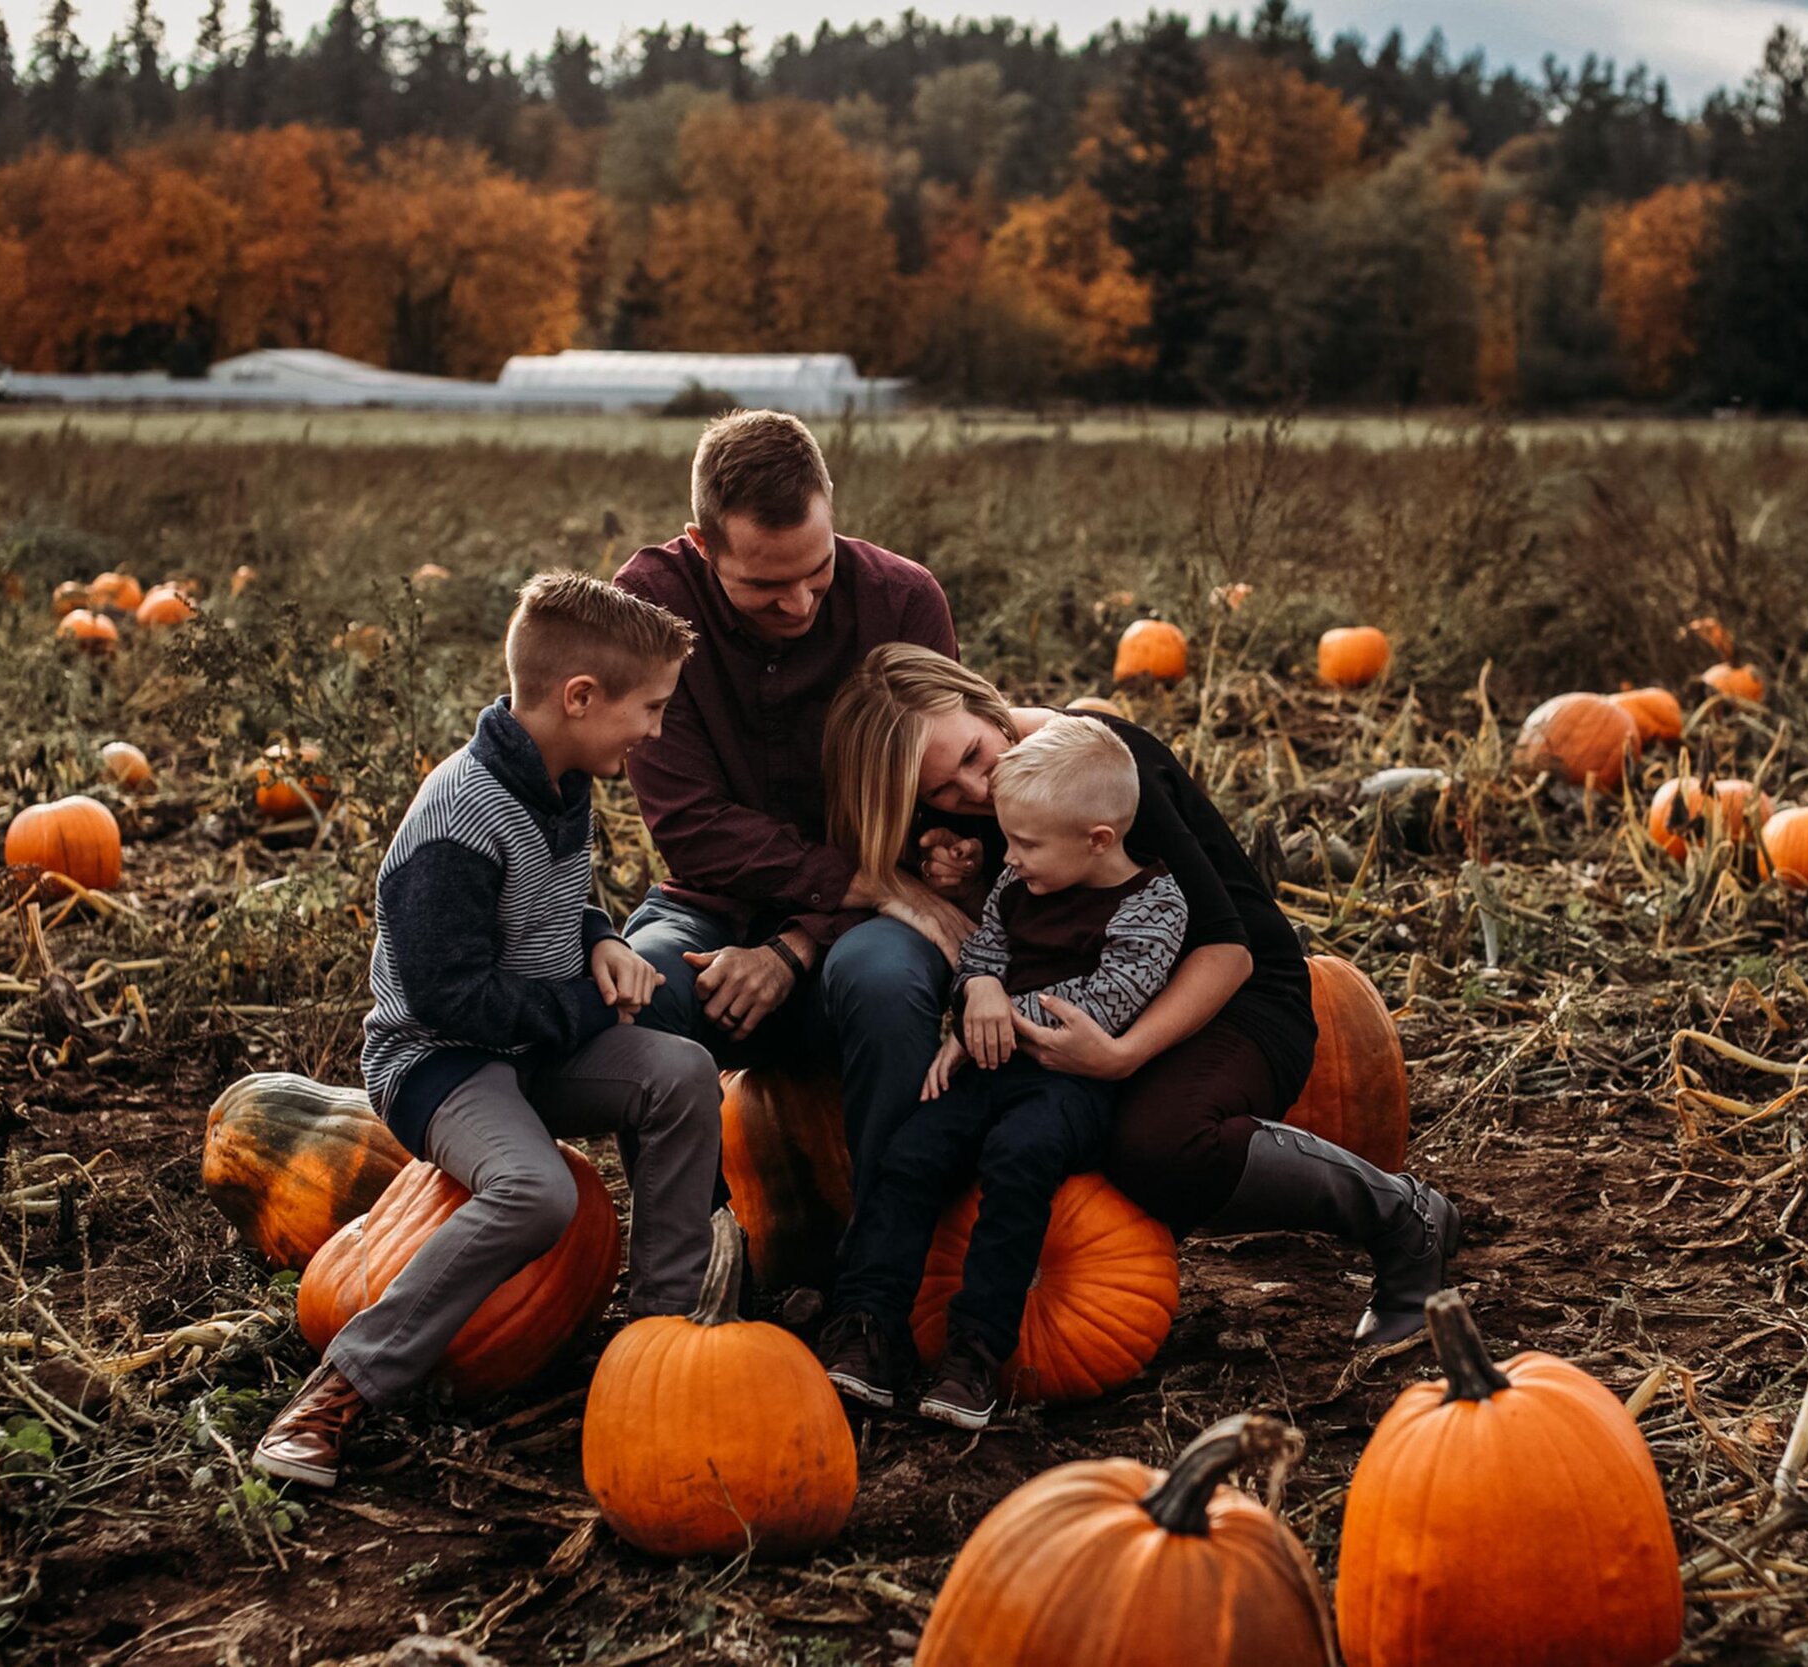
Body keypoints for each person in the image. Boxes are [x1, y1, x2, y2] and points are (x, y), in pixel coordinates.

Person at [822, 645, 1460, 1348]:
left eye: (975, 753)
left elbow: (1230, 947)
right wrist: (964, 898)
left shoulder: (1101, 765)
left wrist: (1121, 1057)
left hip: (1230, 997)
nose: (977, 788)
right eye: (944, 789)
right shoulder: (974, 810)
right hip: (1092, 1006)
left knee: (1156, 1144)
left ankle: (1405, 1215)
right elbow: (1025, 932)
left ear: (983, 703)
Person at [252, 573, 723, 1488]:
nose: (657, 731)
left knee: (683, 1072)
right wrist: (592, 1003)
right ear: (579, 698)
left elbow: (551, 903)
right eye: (651, 709)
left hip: (527, 1046)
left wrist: (599, 940)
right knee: (535, 1192)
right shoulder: (458, 817)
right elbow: (448, 995)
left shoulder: (561, 779)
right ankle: (339, 1389)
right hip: (437, 1061)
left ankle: (657, 1340)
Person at [611, 411, 970, 1203]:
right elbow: (692, 828)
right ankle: (696, 1268)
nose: (801, 602)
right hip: (716, 908)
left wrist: (796, 946)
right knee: (643, 991)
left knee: (885, 984)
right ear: (704, 547)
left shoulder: (904, 603)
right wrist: (869, 887)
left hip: (873, 923)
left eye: (817, 570)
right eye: (767, 586)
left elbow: (926, 812)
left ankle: (886, 1269)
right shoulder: (648, 609)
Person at [816, 717, 1189, 1428]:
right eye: (1009, 840)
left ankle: (976, 1352)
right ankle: (870, 1322)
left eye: (1025, 843)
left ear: (1098, 840)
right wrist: (974, 995)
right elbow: (984, 950)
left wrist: (993, 1014)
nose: (1008, 856)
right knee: (912, 1153)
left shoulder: (1153, 904)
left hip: (1070, 1082)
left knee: (1017, 1162)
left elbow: (1106, 1002)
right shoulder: (1019, 880)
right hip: (992, 1064)